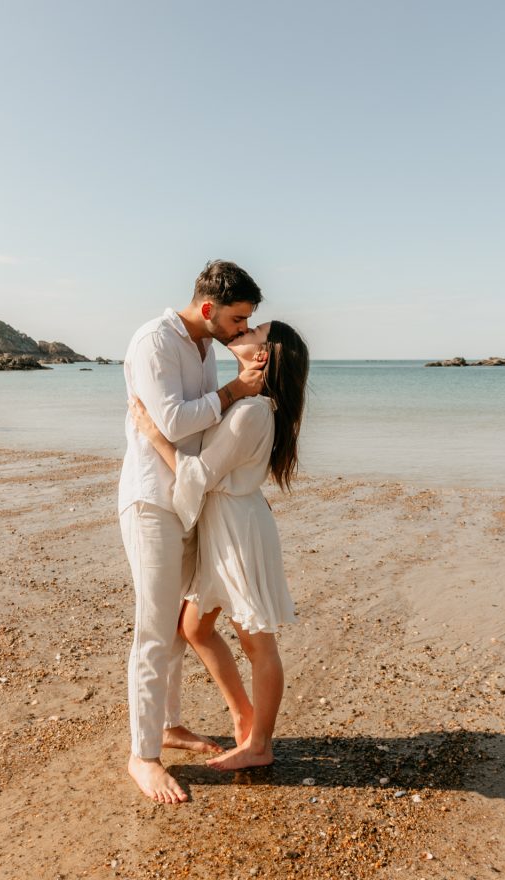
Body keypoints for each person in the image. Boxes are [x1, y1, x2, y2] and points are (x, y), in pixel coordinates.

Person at [129, 319, 309, 772]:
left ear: (263, 354)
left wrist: (154, 435)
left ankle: (260, 744)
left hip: (238, 531)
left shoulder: (251, 411)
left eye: (254, 331)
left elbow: (199, 476)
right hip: (224, 525)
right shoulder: (248, 402)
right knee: (194, 628)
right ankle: (243, 715)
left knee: (258, 644)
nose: (242, 331)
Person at [119, 260, 266, 804]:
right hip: (152, 500)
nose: (240, 328)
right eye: (236, 318)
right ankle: (143, 756)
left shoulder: (205, 345)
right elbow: (175, 424)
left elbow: (195, 431)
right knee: (154, 630)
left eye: (246, 320)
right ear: (208, 309)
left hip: (188, 497)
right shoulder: (155, 341)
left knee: (180, 627)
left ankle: (168, 725)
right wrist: (233, 392)